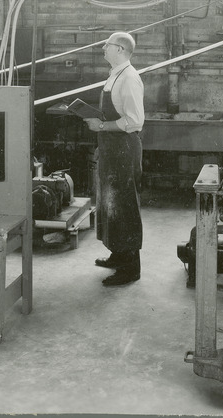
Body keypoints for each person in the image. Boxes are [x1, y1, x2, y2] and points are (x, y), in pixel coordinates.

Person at [83, 32, 145, 286]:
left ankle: (131, 268)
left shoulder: (129, 78)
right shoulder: (115, 74)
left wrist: (101, 126)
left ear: (119, 49)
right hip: (111, 148)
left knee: (125, 205)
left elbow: (134, 120)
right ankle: (118, 255)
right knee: (110, 203)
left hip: (124, 148)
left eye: (107, 45)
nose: (103, 48)